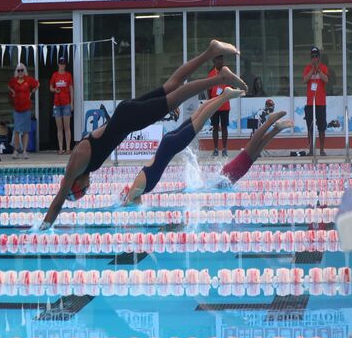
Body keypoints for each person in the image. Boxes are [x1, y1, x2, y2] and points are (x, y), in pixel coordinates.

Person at [41, 39, 247, 228]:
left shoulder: (76, 163)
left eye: (83, 190)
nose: (88, 187)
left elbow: (59, 198)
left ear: (75, 185)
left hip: (128, 118)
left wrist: (44, 225)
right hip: (126, 115)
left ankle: (220, 78)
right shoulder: (82, 165)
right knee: (172, 85)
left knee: (176, 97)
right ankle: (211, 51)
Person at [121, 87, 245, 204]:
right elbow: (137, 204)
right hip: (167, 143)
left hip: (171, 146)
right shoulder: (137, 188)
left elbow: (128, 204)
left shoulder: (136, 189)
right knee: (196, 117)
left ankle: (225, 96)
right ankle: (223, 95)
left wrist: (123, 205)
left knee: (200, 120)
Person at [8, 63, 39, 159]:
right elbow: (8, 86)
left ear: (24, 70)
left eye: (22, 70)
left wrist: (31, 92)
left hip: (26, 108)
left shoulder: (28, 79)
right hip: (17, 109)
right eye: (18, 70)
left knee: (26, 131)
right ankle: (16, 150)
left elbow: (37, 84)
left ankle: (25, 151)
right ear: (16, 72)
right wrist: (13, 92)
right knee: (17, 130)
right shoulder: (14, 81)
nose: (20, 72)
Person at [303, 46, 328, 156]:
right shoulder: (308, 68)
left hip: (321, 103)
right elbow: (305, 80)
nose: (314, 59)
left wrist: (318, 70)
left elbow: (326, 79)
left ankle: (322, 149)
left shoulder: (323, 67)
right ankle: (311, 149)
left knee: (321, 126)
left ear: (319, 57)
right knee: (310, 126)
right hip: (310, 103)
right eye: (312, 57)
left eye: (316, 56)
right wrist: (312, 70)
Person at [208, 54, 231, 157]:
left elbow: (231, 86)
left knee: (224, 127)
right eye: (218, 59)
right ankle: (216, 149)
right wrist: (210, 102)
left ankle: (225, 149)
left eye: (221, 59)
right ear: (214, 61)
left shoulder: (227, 72)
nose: (220, 61)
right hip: (214, 105)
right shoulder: (211, 73)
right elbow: (208, 90)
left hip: (225, 105)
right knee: (215, 127)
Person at [50, 57, 73, 155]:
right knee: (59, 127)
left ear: (65, 65)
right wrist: (55, 90)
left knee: (67, 127)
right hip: (57, 104)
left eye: (63, 63)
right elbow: (50, 87)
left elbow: (71, 89)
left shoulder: (68, 75)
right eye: (60, 63)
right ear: (58, 64)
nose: (62, 65)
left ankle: (68, 148)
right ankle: (60, 148)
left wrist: (72, 103)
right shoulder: (54, 75)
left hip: (66, 103)